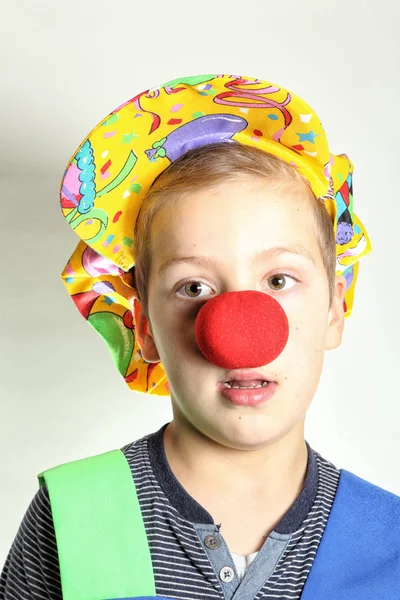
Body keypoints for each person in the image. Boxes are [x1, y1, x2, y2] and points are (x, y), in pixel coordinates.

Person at [1, 74, 398, 600]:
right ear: (141, 326)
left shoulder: (391, 543)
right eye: (193, 286)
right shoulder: (71, 518)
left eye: (279, 280)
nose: (238, 330)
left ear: (334, 306)